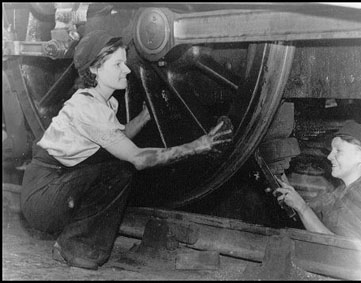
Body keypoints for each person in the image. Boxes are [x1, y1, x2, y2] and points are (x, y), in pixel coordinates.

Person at [20, 30, 232, 270]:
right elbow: (138, 159)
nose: (127, 69)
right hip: (41, 194)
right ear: (94, 69)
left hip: (55, 185)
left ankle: (76, 243)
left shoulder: (106, 101)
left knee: (116, 170)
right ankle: (73, 246)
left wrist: (143, 117)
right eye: (118, 64)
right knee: (119, 171)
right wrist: (198, 145)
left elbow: (115, 138)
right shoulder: (87, 108)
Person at [274, 120, 361, 242]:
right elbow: (313, 210)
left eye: (338, 151)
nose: (329, 156)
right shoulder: (341, 190)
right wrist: (284, 183)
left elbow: (338, 247)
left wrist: (301, 207)